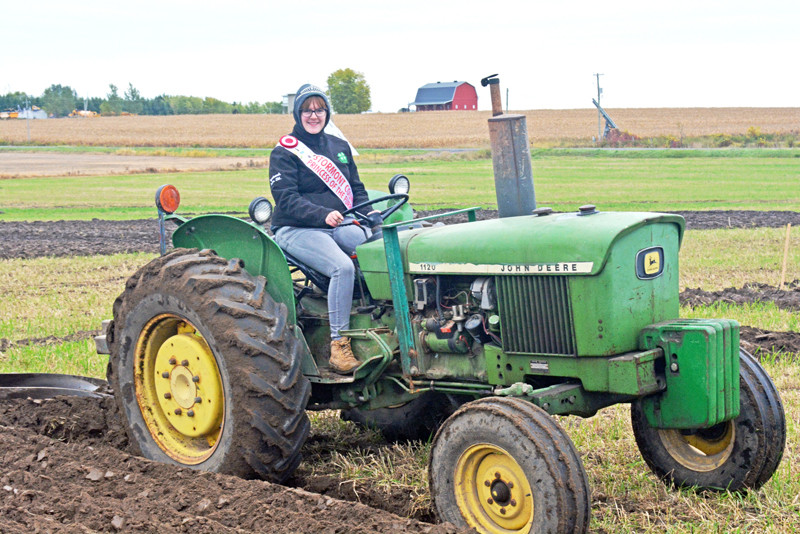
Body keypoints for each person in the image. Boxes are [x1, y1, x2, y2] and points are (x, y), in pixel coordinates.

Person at [268, 84, 373, 374]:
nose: (314, 115)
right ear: (297, 113)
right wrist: (322, 214)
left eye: (320, 109)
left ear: (327, 113)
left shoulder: (339, 148)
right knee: (343, 268)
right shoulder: (284, 152)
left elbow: (356, 190)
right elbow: (286, 200)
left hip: (338, 223)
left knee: (378, 248)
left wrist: (371, 215)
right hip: (297, 227)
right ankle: (339, 346)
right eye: (307, 110)